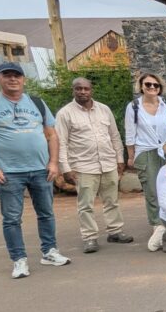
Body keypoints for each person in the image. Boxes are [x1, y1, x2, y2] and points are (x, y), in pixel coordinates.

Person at [0, 61, 70, 278]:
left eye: (17, 75)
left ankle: (49, 252)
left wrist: (53, 163)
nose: (12, 79)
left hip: (41, 169)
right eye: (7, 75)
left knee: (46, 213)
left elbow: (52, 135)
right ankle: (19, 260)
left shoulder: (37, 103)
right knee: (12, 218)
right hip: (9, 172)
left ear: (23, 79)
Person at [56, 77, 132, 253]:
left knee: (112, 200)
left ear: (91, 90)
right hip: (83, 166)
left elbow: (114, 135)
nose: (83, 92)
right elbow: (61, 143)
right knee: (86, 204)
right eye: (78, 89)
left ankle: (115, 231)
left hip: (107, 163)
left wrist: (119, 158)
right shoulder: (65, 114)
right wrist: (65, 168)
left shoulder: (104, 110)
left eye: (86, 89)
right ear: (73, 91)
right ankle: (89, 237)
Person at [125, 72, 166, 250]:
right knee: (152, 190)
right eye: (148, 85)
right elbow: (130, 134)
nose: (152, 88)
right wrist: (131, 157)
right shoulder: (133, 107)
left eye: (156, 85)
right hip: (145, 151)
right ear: (141, 87)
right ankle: (157, 224)